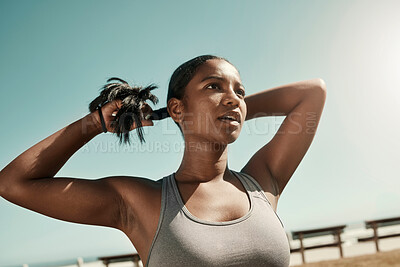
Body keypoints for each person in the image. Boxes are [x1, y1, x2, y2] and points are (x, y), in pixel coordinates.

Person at [0, 55, 326, 267]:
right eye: (213, 86)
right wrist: (94, 124)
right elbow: (13, 183)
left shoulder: (263, 182)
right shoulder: (142, 202)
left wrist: (230, 111)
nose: (233, 96)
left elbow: (313, 92)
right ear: (176, 108)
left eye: (239, 91)